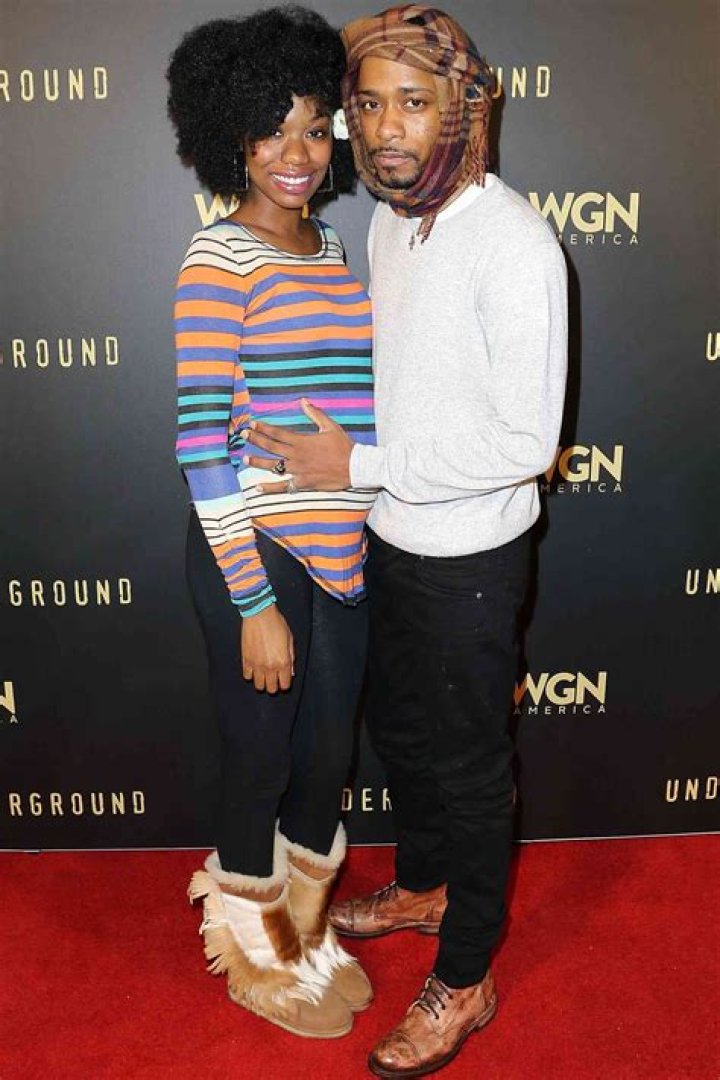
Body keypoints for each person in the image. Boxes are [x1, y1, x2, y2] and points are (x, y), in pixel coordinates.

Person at [241, 4, 568, 1075]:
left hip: (472, 558)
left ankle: (466, 977)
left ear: (462, 109)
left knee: (468, 767)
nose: (386, 128)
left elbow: (525, 443)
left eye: (414, 103)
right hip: (388, 536)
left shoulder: (515, 244)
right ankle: (427, 886)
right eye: (370, 104)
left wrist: (360, 467)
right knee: (408, 741)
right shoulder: (390, 221)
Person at [166, 6, 377, 1040]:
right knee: (261, 756)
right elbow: (202, 443)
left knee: (327, 754)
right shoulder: (219, 259)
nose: (298, 153)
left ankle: (303, 927)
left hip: (344, 550)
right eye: (271, 129)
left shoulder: (333, 245)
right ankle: (254, 947)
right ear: (231, 137)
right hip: (256, 548)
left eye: (315, 127)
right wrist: (252, 602)